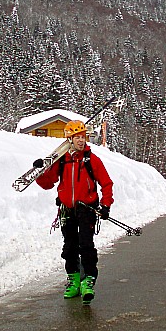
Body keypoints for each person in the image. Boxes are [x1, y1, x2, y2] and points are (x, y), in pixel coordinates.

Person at [33, 120, 114, 304]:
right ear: (69, 139)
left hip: (87, 209)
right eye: (77, 137)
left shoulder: (91, 160)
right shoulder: (61, 160)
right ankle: (73, 280)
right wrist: (40, 171)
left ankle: (88, 280)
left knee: (86, 245)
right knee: (69, 247)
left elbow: (106, 184)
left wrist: (106, 205)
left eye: (83, 136)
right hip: (66, 209)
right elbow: (48, 183)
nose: (81, 140)